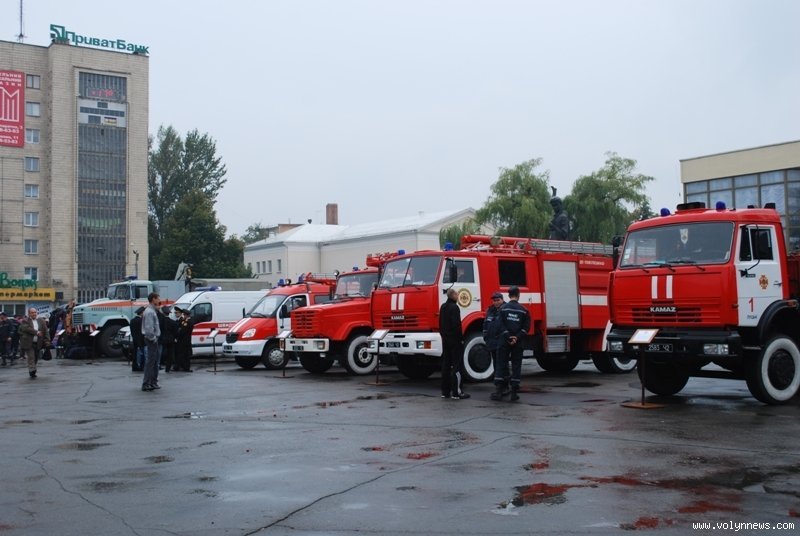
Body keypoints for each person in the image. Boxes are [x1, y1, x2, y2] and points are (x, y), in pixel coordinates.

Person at [492, 286, 531, 402]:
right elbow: (526, 328)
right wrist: (516, 338)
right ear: (518, 295)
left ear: (508, 296)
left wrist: (508, 336)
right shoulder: (524, 310)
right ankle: (514, 393)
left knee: (501, 364)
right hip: (518, 343)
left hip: (504, 341)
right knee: (516, 366)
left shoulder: (502, 309)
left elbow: (499, 325)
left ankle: (499, 392)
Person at [439, 288, 469, 400]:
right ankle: (457, 392)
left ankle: (445, 392)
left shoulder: (443, 307)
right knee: (457, 366)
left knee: (446, 366)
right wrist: (461, 339)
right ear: (453, 296)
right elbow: (457, 325)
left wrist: (444, 336)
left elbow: (440, 324)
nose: (458, 296)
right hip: (455, 341)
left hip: (445, 340)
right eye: (457, 294)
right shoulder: (454, 307)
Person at [18, 308, 50, 379]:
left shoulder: (41, 320)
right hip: (28, 342)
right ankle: (32, 371)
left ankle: (33, 367)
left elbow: (46, 331)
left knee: (36, 357)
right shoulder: (25, 320)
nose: (34, 314)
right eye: (32, 312)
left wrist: (48, 340)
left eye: (35, 312)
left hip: (38, 342)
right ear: (29, 314)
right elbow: (26, 328)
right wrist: (37, 332)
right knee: (31, 357)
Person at [482, 291, 505, 386]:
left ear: (502, 300)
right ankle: (498, 384)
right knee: (495, 363)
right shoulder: (490, 310)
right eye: (494, 301)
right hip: (492, 342)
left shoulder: (505, 309)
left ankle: (504, 384)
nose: (496, 302)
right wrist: (485, 337)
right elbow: (485, 324)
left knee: (502, 364)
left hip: (502, 342)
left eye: (498, 300)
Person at [141, 293, 161, 391]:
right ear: (153, 299)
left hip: (153, 339)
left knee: (155, 362)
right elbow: (149, 328)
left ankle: (153, 382)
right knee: (151, 362)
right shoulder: (149, 312)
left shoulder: (152, 311)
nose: (159, 300)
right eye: (158, 298)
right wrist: (153, 338)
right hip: (151, 339)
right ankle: (147, 383)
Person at [175, 307, 194, 372]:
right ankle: (182, 366)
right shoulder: (184, 321)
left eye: (184, 315)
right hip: (182, 340)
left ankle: (187, 368)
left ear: (187, 315)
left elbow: (183, 330)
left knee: (186, 355)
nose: (183, 316)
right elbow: (180, 327)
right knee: (182, 354)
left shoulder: (189, 322)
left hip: (186, 340)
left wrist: (179, 330)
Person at [160, 306, 179, 372]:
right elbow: (176, 332)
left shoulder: (160, 322)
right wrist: (174, 337)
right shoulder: (173, 322)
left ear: (163, 313)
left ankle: (159, 365)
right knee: (169, 354)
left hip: (161, 340)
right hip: (170, 340)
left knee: (160, 353)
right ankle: (168, 368)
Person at [130, 306, 146, 372]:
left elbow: (132, 331)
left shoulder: (132, 320)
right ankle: (140, 367)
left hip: (135, 339)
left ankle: (134, 367)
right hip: (141, 340)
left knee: (135, 353)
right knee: (141, 354)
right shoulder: (141, 321)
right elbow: (141, 332)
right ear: (142, 313)